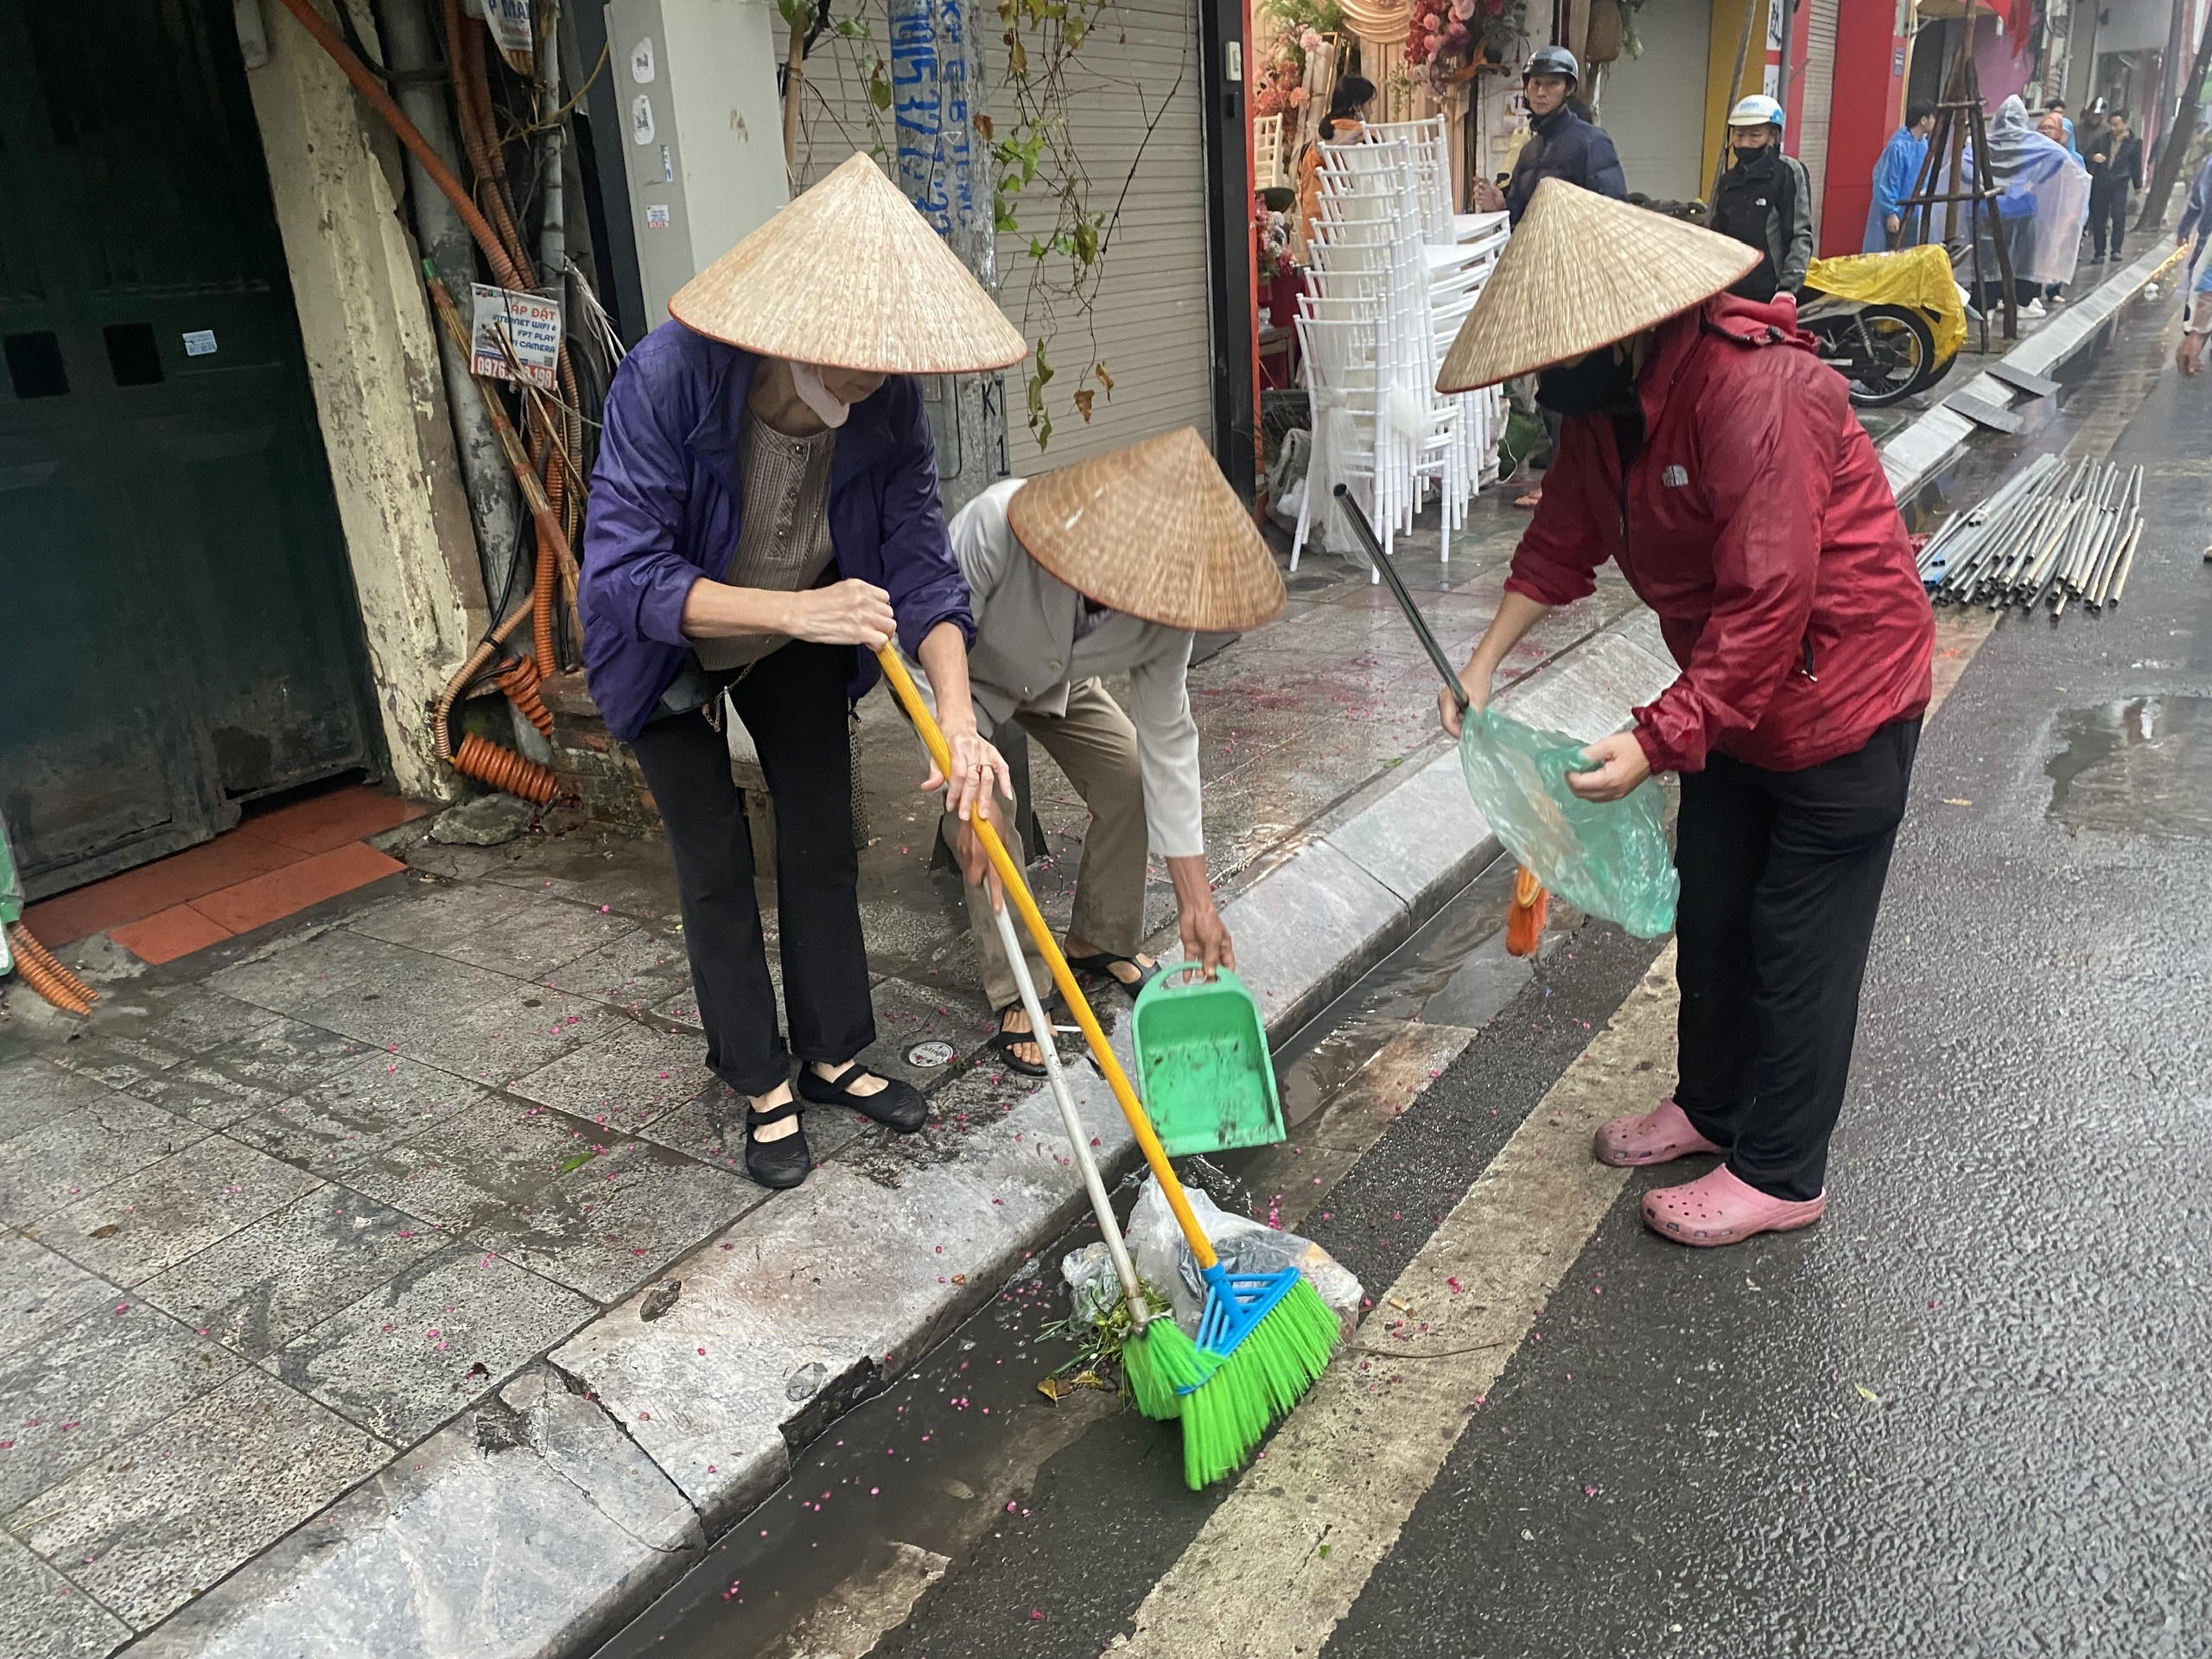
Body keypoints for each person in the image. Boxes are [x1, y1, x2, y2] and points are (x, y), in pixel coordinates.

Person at [1431, 179, 1936, 1247]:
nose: (1549, 377)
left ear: (1624, 328)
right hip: (1730, 702)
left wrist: (1655, 738)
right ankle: (1709, 1107)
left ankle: (1781, 1171)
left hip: (1840, 701)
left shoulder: (1757, 391)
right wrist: (1480, 666)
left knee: (1796, 944)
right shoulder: (1604, 410)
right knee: (1711, 915)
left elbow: (1768, 601)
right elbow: (1561, 540)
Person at [582, 155, 1026, 1190]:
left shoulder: (887, 405)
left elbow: (922, 567)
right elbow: (623, 574)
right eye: (851, 362)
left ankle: (830, 1054)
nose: (868, 382)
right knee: (715, 860)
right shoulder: (668, 378)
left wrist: (960, 725)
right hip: (669, 641)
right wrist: (796, 609)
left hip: (800, 631)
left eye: (880, 366)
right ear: (785, 330)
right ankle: (759, 1079)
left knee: (822, 837)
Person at [932, 429, 1284, 1072]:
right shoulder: (995, 525)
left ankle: (1099, 936)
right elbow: (928, 642)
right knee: (988, 821)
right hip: (962, 682)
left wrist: (1197, 902)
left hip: (1058, 681)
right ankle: (1020, 986)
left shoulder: (1169, 610)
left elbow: (1168, 740)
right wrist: (963, 761)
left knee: (1130, 777)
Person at [1471, 47, 1627, 507]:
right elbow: (1521, 212)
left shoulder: (1591, 142)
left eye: (1551, 83)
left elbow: (1612, 210)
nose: (1540, 91)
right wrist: (1501, 205)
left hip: (1578, 278)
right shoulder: (1531, 149)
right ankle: (1563, 477)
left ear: (1568, 89)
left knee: (1579, 380)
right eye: (1535, 83)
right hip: (1540, 276)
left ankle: (1574, 480)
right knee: (1551, 382)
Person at [1708, 95, 1813, 302]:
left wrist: (1787, 288)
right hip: (1731, 289)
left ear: (1773, 136)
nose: (1744, 143)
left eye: (1755, 135)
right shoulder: (1728, 180)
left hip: (1771, 293)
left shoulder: (1788, 173)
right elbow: (1717, 235)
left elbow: (1799, 234)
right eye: (1739, 135)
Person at [1296, 75, 1377, 252]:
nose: (1371, 111)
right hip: (1353, 239)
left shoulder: (1312, 144)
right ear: (1356, 106)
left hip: (1316, 239)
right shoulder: (1365, 138)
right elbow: (1376, 188)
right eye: (1369, 104)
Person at [1865, 101, 1936, 252]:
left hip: (1915, 212)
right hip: (1898, 215)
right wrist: (1892, 212)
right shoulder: (1898, 147)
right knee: (1895, 253)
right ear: (1923, 120)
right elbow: (1887, 183)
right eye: (1932, 117)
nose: (1934, 121)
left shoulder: (1923, 145)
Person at [2086, 111, 2143, 263]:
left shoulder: (2134, 142)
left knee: (2118, 216)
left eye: (2116, 124)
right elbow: (2087, 153)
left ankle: (2116, 250)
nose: (2112, 128)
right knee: (2099, 218)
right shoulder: (2103, 139)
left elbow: (2136, 164)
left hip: (2120, 183)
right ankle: (2099, 252)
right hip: (2101, 182)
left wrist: (2137, 184)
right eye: (2111, 124)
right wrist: (2094, 157)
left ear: (2125, 124)